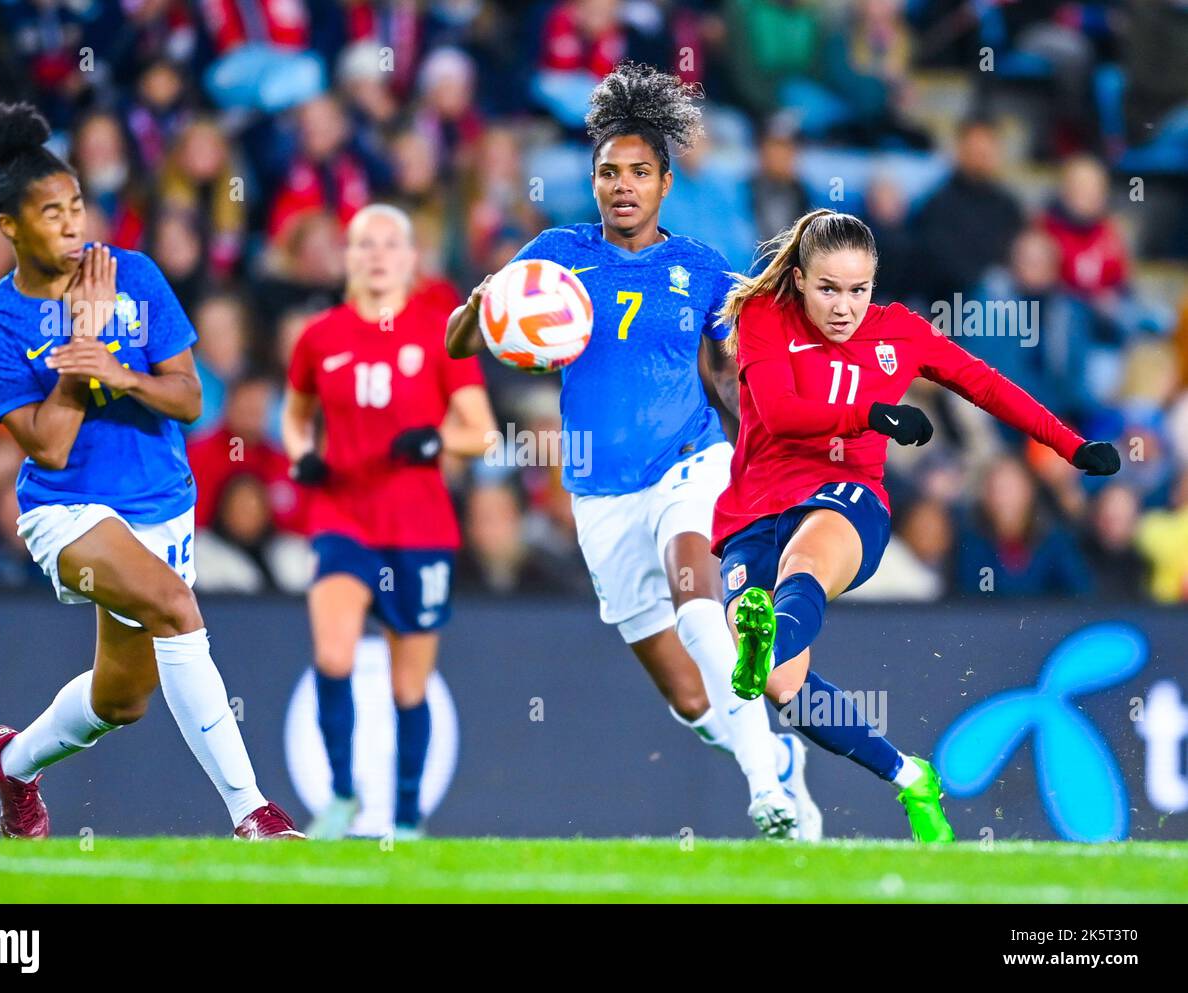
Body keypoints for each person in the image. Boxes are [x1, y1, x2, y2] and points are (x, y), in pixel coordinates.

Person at [445, 63, 817, 840]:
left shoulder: (704, 269)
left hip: (690, 464)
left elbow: (729, 374)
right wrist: (480, 307)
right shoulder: (554, 255)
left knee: (698, 602)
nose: (623, 186)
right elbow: (460, 342)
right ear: (593, 180)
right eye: (609, 172)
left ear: (665, 183)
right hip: (600, 496)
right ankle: (776, 759)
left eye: (639, 173)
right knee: (688, 699)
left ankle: (769, 794)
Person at [0, 102, 303, 840]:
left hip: (161, 502)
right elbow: (45, 445)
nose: (73, 224)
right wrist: (80, 353)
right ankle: (255, 814)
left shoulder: (134, 275)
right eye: (51, 213)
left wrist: (118, 368)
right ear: (9, 226)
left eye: (77, 204)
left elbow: (191, 395)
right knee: (175, 604)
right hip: (66, 510)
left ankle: (12, 761)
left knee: (123, 695)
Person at [713, 208, 1121, 842]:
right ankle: (909, 777)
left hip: (846, 499)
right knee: (781, 684)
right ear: (797, 279)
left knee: (806, 566)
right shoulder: (765, 317)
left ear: (874, 285)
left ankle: (768, 629)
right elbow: (782, 412)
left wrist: (1070, 446)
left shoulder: (899, 333)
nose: (844, 306)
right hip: (754, 511)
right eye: (828, 289)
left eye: (858, 289)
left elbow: (987, 387)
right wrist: (871, 413)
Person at [282, 203, 496, 840]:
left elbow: (481, 432)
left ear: (409, 259)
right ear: (348, 258)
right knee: (333, 653)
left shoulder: (440, 333)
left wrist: (435, 441)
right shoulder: (320, 337)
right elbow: (294, 417)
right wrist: (302, 458)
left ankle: (405, 818)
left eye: (388, 244)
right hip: (343, 516)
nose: (376, 255)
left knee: (410, 683)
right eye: (363, 245)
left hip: (419, 527)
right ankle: (343, 796)